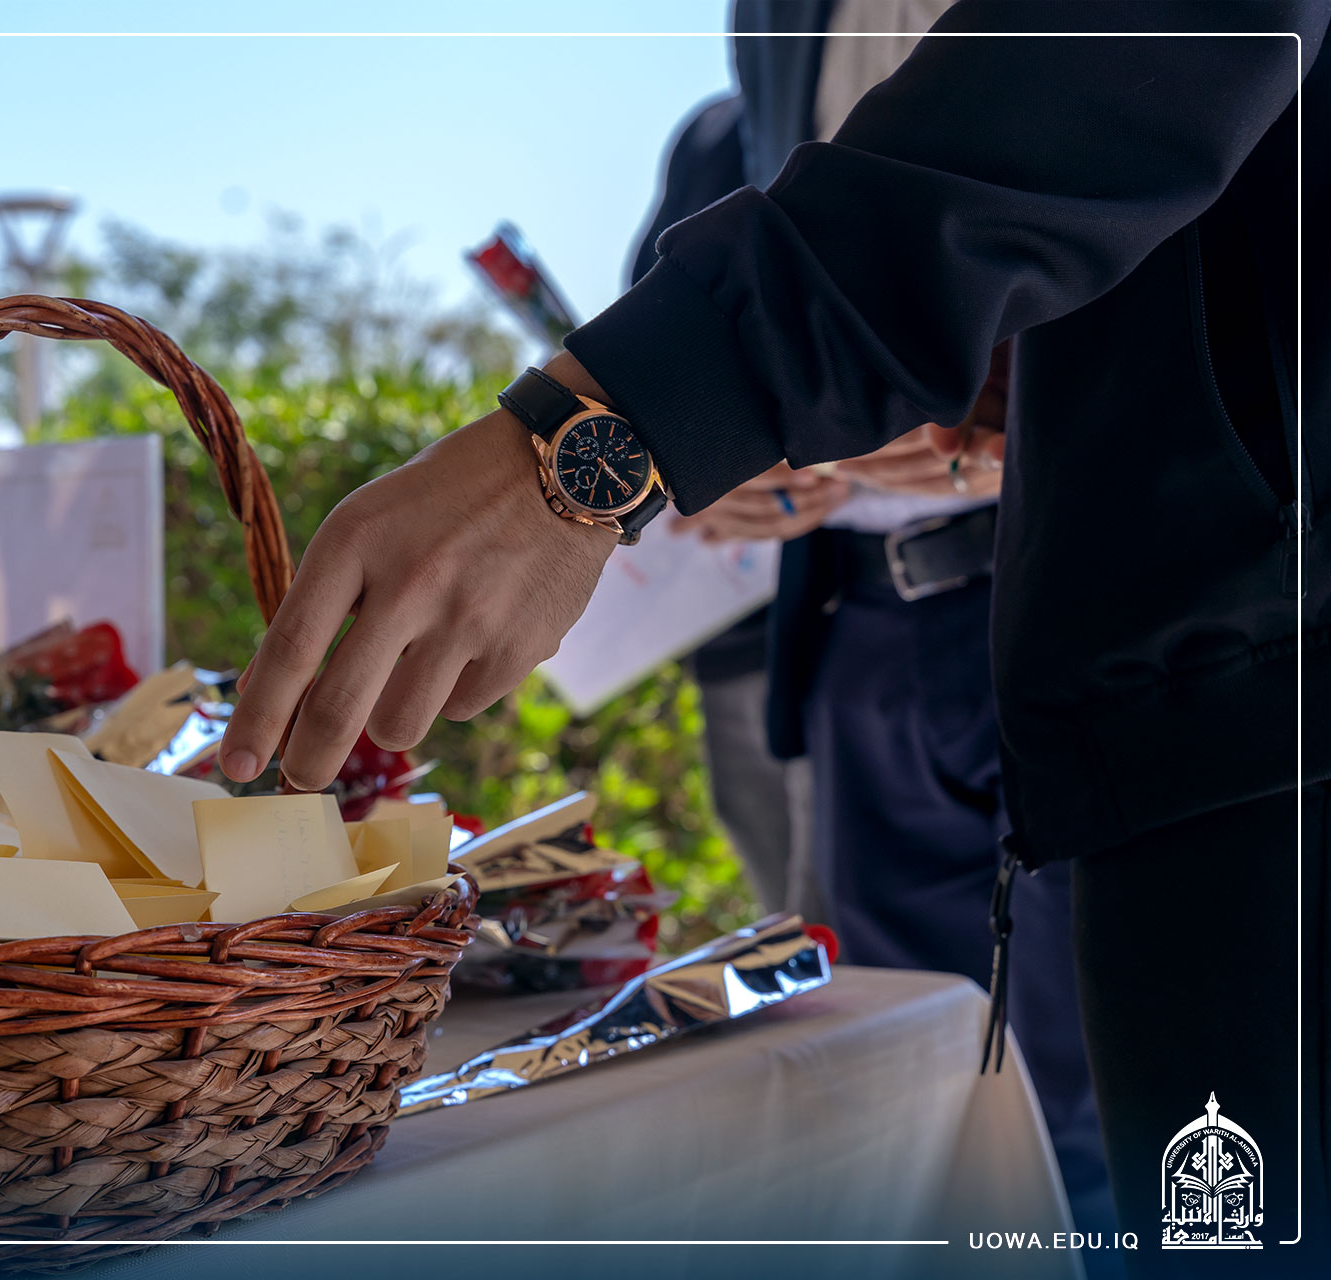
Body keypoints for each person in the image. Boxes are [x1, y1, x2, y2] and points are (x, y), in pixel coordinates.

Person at [221, 4, 1326, 1269]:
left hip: (1246, 659)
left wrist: (599, 439)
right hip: (951, 639)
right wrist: (738, 441)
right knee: (978, 1138)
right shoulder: (769, 24)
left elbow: (1109, 71)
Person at [674, 3, 1114, 1246]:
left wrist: (1020, 425)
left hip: (1077, 600)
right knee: (906, 1103)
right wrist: (732, 453)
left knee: (1096, 1116)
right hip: (857, 627)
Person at [630, 93, 828, 930]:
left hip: (874, 608)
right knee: (807, 936)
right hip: (734, 627)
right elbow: (648, 337)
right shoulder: (716, 135)